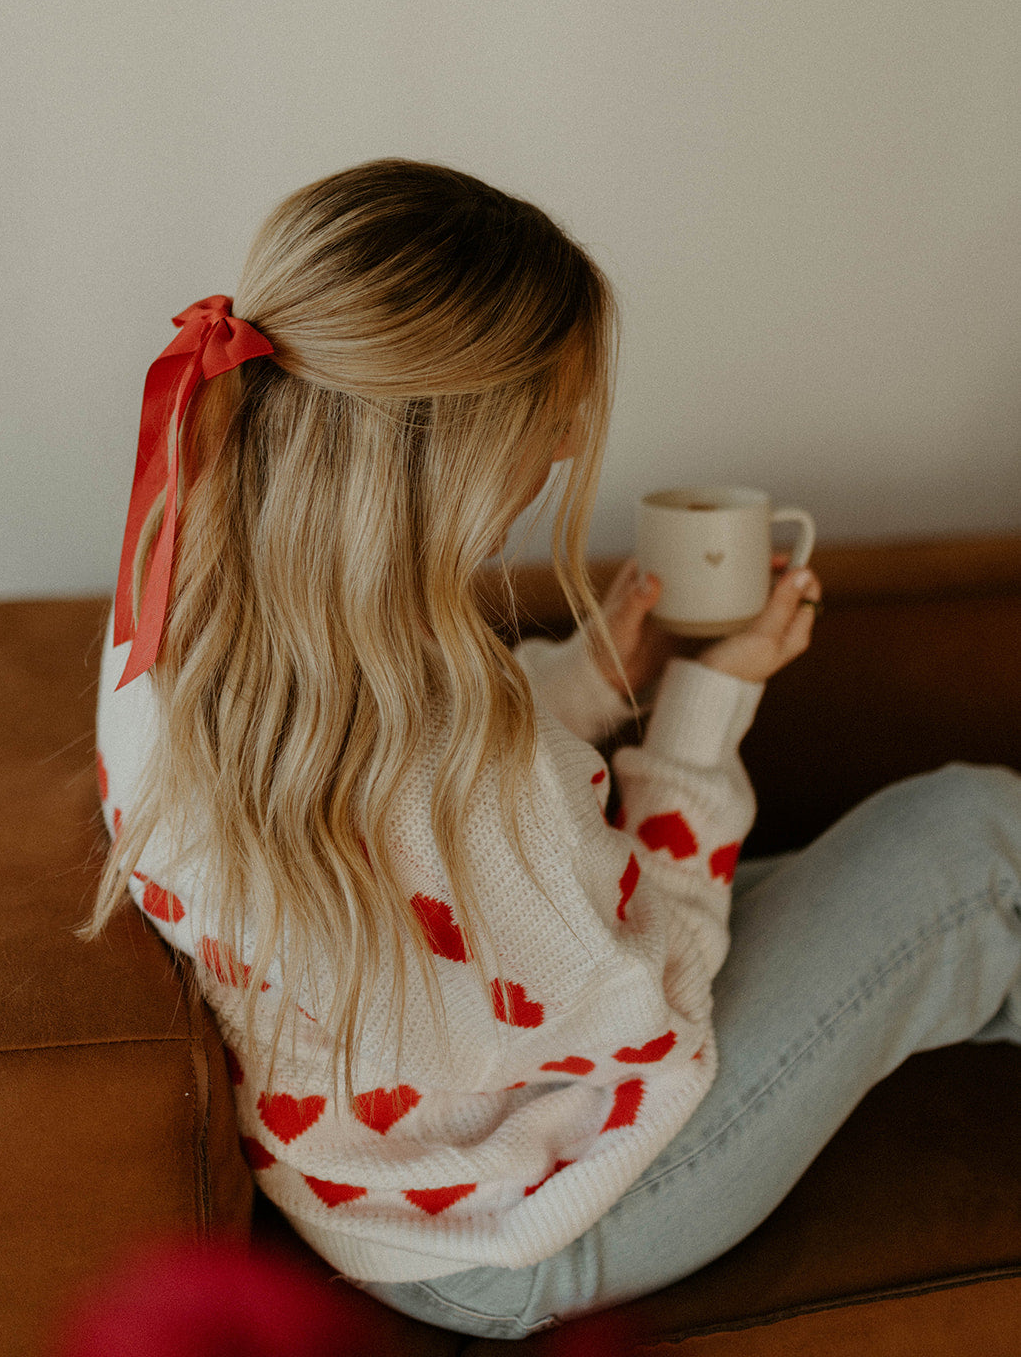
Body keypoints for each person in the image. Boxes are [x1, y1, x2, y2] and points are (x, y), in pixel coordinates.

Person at [90, 159, 1021, 1341]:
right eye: (554, 415)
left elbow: (425, 845)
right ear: (468, 450)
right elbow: (657, 989)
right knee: (973, 835)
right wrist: (705, 707)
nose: (572, 442)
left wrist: (575, 684)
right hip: (534, 1229)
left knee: (950, 914)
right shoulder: (476, 765)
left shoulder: (171, 629)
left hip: (379, 1192)